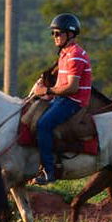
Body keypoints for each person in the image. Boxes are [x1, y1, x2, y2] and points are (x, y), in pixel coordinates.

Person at [28, 13, 92, 186]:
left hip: (73, 101)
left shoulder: (75, 55)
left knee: (43, 124)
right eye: (53, 33)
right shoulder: (65, 53)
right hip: (62, 98)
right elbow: (61, 84)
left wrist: (47, 90)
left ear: (70, 34)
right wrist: (47, 94)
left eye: (58, 33)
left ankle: (49, 171)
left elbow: (72, 88)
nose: (54, 37)